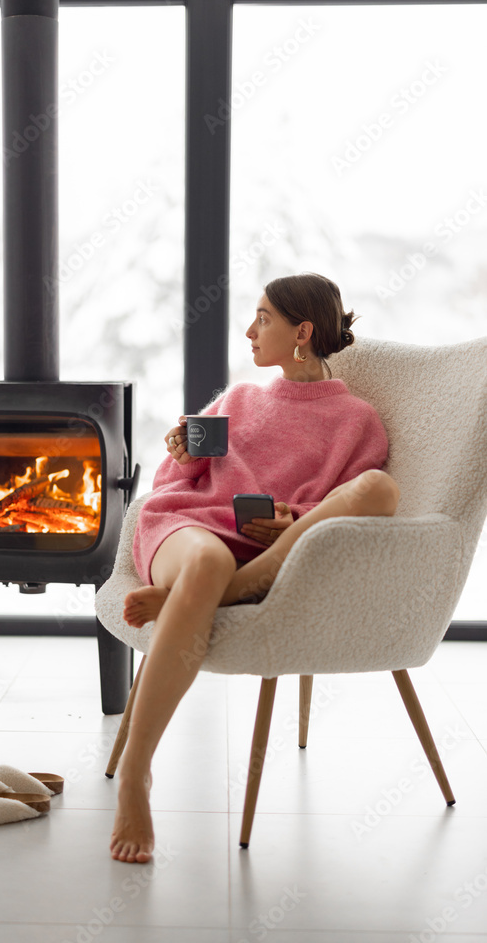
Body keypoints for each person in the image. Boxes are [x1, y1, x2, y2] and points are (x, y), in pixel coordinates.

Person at [110, 272, 400, 864]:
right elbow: (173, 487)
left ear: (303, 331)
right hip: (187, 531)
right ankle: (137, 775)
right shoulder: (239, 400)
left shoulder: (358, 422)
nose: (249, 330)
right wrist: (184, 454)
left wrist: (297, 520)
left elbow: (352, 512)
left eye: (263, 318)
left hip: (271, 552)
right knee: (208, 561)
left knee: (379, 487)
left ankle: (226, 588)